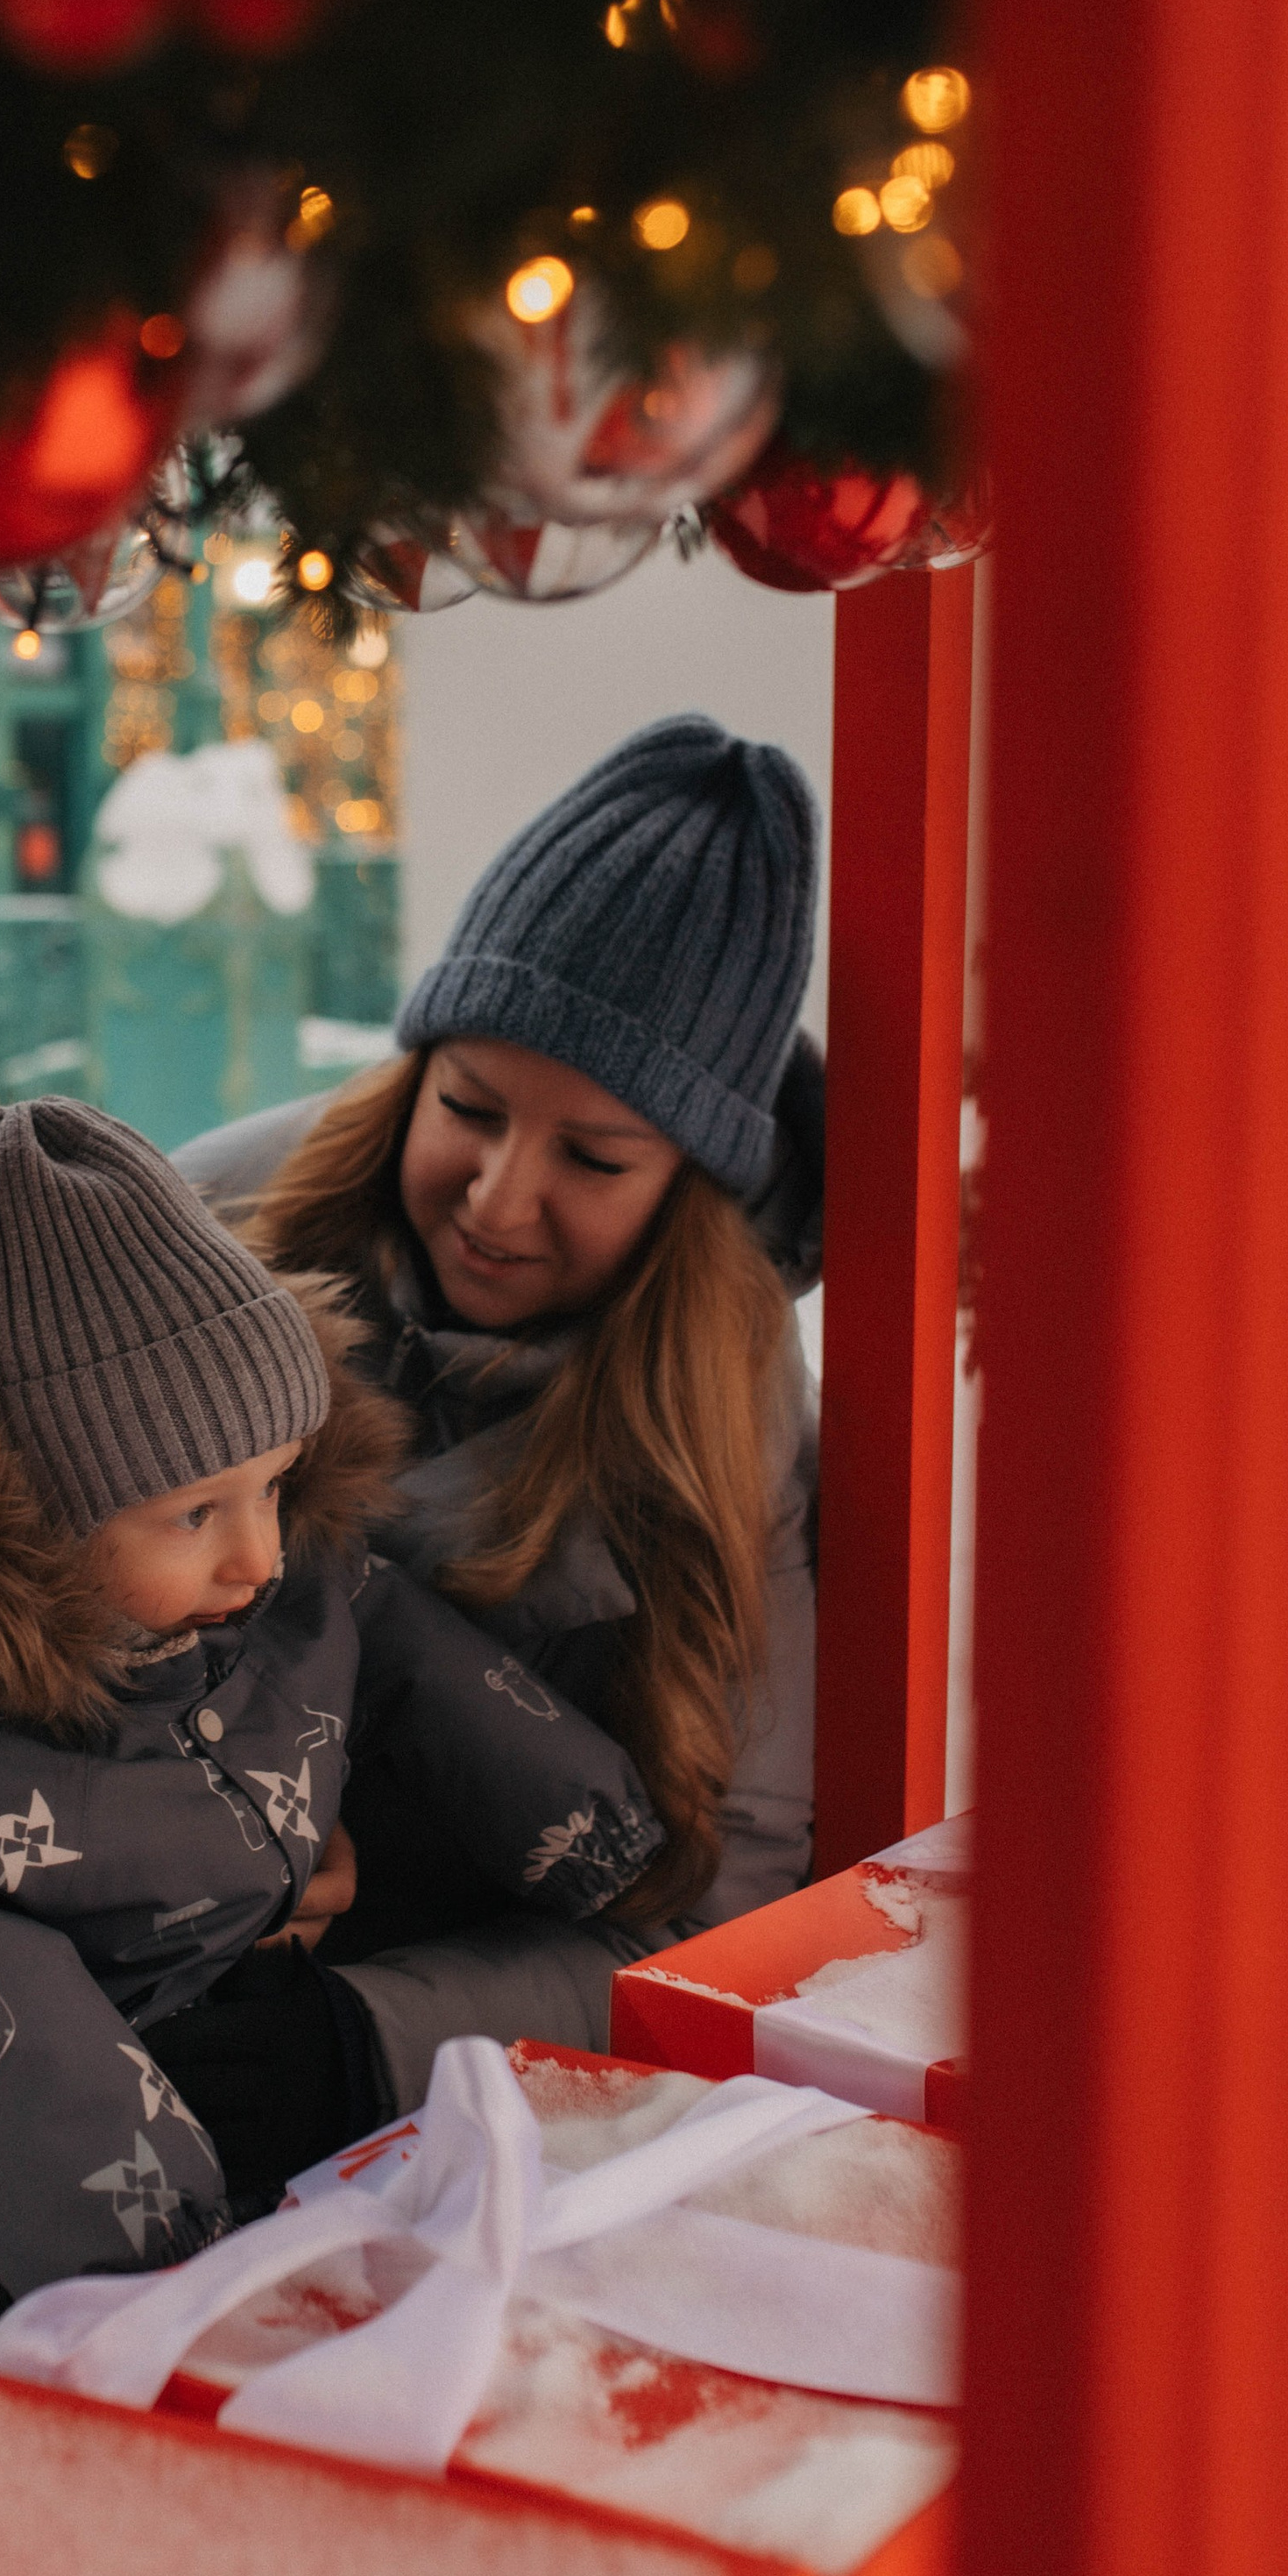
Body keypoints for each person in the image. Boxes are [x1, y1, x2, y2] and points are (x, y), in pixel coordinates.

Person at [0, 1100, 665, 2294]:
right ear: (28, 1516)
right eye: (195, 1515)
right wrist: (159, 2221)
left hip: (295, 2097)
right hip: (117, 2212)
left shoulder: (259, 1593)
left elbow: (391, 1632)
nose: (259, 1556)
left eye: (274, 1485)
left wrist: (579, 1818)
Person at [178, 713, 823, 2107]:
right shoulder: (210, 1229)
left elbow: (726, 1911)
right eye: (469, 1105)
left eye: (594, 1157)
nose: (499, 1198)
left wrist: (365, 2039)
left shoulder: (730, 1430)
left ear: (690, 1186)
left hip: (421, 2092)